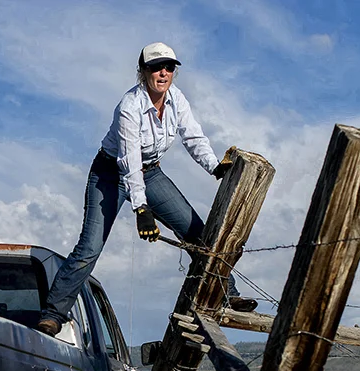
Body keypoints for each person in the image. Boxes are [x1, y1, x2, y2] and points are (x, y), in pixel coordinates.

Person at [37, 42, 257, 337]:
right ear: (143, 72)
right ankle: (53, 314)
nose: (163, 73)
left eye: (169, 67)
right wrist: (141, 209)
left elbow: (193, 136)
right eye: (156, 67)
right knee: (90, 248)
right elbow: (129, 160)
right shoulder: (130, 107)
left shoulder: (177, 99)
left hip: (151, 172)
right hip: (109, 173)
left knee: (197, 233)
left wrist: (215, 166)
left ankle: (228, 294)